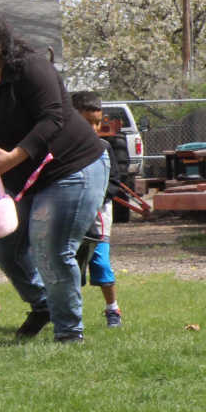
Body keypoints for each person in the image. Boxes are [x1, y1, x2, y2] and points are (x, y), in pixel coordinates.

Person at [0, 2, 109, 343]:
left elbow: (53, 118)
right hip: (26, 178)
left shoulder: (32, 68)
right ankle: (44, 304)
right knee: (3, 248)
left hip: (71, 167)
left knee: (50, 247)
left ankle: (69, 334)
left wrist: (14, 157)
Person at [71, 90, 128, 328]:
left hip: (97, 218)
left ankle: (112, 309)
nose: (93, 129)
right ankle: (70, 314)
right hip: (70, 218)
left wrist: (94, 198)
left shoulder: (104, 148)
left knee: (101, 264)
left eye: (96, 123)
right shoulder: (63, 149)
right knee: (70, 267)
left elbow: (114, 181)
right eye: (86, 123)